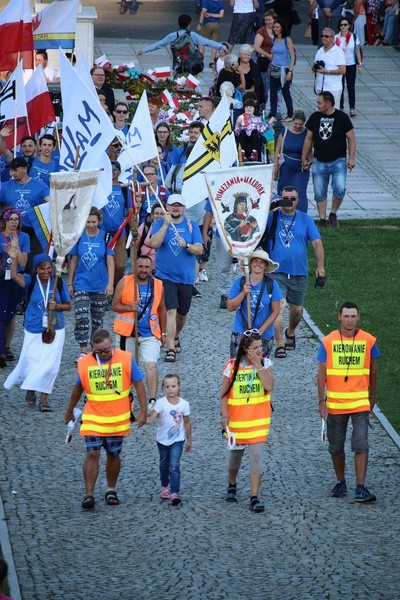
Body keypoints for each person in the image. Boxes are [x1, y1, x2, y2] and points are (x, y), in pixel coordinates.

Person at [64, 329, 147, 509]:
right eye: (98, 351)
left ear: (112, 345)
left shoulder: (125, 359)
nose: (103, 354)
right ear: (93, 349)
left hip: (117, 419)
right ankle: (89, 495)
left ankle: (111, 489)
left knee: (113, 454)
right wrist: (69, 410)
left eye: (106, 350)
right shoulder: (86, 363)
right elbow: (78, 388)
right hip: (93, 417)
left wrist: (143, 410)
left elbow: (139, 384)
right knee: (92, 453)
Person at [317, 301, 381, 502]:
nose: (350, 320)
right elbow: (321, 374)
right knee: (335, 447)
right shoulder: (328, 341)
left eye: (353, 316)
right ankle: (341, 481)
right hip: (335, 404)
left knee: (361, 443)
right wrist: (321, 401)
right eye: (346, 316)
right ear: (339, 317)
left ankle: (360, 487)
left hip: (360, 402)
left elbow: (373, 369)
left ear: (358, 317)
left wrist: (372, 396)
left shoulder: (368, 340)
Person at [261, 186, 325, 358]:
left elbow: (317, 243)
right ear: (279, 198)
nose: (289, 201)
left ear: (298, 200)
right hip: (276, 272)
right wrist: (269, 207)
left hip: (299, 273)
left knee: (297, 310)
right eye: (285, 198)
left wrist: (320, 267)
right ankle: (280, 343)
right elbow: (254, 226)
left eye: (293, 198)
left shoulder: (305, 219)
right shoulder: (271, 217)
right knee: (279, 307)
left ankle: (291, 331)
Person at [4, 252, 71, 412]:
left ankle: (44, 399)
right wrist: (13, 258)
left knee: (50, 365)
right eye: (42, 269)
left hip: (55, 329)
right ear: (36, 270)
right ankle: (31, 387)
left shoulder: (57, 282)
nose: (46, 272)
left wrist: (57, 306)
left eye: (49, 268)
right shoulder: (31, 280)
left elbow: (68, 305)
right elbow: (14, 276)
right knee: (32, 361)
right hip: (34, 327)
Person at [220, 330, 274, 512]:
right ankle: (232, 484)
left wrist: (259, 365)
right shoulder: (232, 366)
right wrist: (224, 415)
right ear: (245, 349)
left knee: (256, 456)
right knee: (236, 455)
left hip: (258, 421)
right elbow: (223, 395)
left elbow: (269, 386)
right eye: (256, 348)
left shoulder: (265, 364)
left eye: (261, 346)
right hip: (237, 422)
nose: (260, 350)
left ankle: (254, 496)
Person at [148, 194, 203, 363]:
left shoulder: (191, 225)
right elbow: (153, 244)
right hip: (165, 276)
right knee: (170, 310)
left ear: (184, 208)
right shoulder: (159, 223)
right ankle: (170, 348)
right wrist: (165, 225)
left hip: (186, 277)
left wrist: (186, 245)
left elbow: (199, 249)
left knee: (182, 313)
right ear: (167, 207)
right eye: (173, 205)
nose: (176, 208)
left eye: (179, 205)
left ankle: (176, 335)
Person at [113, 254, 167, 409]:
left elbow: (161, 309)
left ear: (151, 268)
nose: (143, 270)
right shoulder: (125, 282)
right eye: (140, 267)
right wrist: (130, 307)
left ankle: (152, 400)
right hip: (127, 334)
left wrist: (163, 334)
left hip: (150, 333)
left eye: (146, 267)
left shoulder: (158, 285)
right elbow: (115, 305)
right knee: (127, 367)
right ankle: (125, 397)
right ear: (135, 267)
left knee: (151, 365)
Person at [302, 91, 356, 228]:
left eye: (319, 103)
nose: (317, 105)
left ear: (328, 103)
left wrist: (351, 158)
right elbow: (308, 138)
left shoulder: (342, 117)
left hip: (338, 161)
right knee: (319, 192)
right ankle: (322, 219)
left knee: (340, 188)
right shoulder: (314, 117)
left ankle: (333, 213)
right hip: (319, 161)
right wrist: (304, 157)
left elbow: (351, 138)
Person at [68, 207, 115, 363]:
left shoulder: (106, 237)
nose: (91, 225)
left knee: (97, 319)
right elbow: (74, 260)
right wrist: (70, 282)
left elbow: (110, 262)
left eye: (94, 222)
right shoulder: (79, 236)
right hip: (81, 282)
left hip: (100, 284)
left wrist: (110, 283)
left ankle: (95, 348)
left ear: (99, 221)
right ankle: (83, 350)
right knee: (81, 316)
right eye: (88, 221)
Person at [146, 374, 192, 505]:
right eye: (167, 386)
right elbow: (151, 418)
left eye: (173, 386)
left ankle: (175, 492)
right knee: (164, 464)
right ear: (163, 388)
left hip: (178, 439)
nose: (170, 389)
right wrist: (141, 419)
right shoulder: (160, 403)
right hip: (162, 440)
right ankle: (165, 486)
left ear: (179, 386)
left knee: (174, 465)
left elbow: (187, 422)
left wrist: (189, 440)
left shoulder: (184, 404)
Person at [227, 249, 282, 358]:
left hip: (264, 334)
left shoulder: (272, 284)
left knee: (260, 369)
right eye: (255, 261)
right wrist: (243, 293)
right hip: (241, 331)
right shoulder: (240, 282)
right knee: (238, 367)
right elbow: (230, 307)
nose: (258, 264)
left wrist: (259, 333)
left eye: (261, 262)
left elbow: (276, 311)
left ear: (266, 266)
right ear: (251, 264)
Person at [0, 157, 49, 272]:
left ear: (24, 169)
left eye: (15, 170)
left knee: (33, 265)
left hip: (34, 232)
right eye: (11, 170)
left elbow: (51, 202)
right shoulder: (6, 186)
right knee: (12, 263)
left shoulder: (40, 186)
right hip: (12, 231)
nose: (12, 173)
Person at [0, 208, 29, 367]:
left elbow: (23, 263)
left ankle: (6, 346)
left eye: (16, 219)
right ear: (4, 220)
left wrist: (16, 249)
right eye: (10, 219)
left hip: (15, 278)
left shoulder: (24, 237)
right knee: (1, 312)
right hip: (1, 277)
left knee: (11, 313)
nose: (13, 222)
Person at [137, 14, 225, 64]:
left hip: (177, 64)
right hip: (191, 64)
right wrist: (222, 46)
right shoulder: (192, 35)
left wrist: (144, 50)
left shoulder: (172, 35)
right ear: (189, 24)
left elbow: (159, 44)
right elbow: (207, 42)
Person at [100, 160, 131, 287]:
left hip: (120, 233)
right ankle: (103, 289)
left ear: (119, 172)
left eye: (115, 169)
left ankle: (115, 288)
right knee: (102, 262)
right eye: (110, 169)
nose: (112, 172)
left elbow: (131, 211)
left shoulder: (124, 189)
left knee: (120, 265)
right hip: (103, 232)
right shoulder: (101, 187)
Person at [274, 109, 311, 212]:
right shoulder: (285, 131)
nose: (298, 126)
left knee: (300, 192)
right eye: (296, 124)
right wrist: (275, 166)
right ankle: (285, 213)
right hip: (286, 168)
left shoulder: (306, 133)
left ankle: (301, 215)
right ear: (292, 121)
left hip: (300, 169)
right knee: (284, 192)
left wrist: (309, 162)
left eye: (301, 124)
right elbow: (277, 150)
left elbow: (310, 151)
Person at [312, 27, 346, 109]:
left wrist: (326, 71)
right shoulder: (320, 51)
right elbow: (314, 69)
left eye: (326, 36)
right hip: (320, 87)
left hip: (333, 88)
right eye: (322, 36)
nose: (323, 38)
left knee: (333, 113)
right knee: (319, 112)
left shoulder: (338, 51)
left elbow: (343, 70)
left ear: (333, 38)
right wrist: (314, 67)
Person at [334, 19, 363, 116]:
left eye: (345, 24)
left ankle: (352, 108)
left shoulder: (354, 37)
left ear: (349, 26)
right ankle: (340, 107)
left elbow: (357, 51)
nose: (343, 26)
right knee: (340, 86)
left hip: (351, 64)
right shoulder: (336, 37)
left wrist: (360, 64)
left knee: (351, 87)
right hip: (340, 65)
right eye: (341, 25)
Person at [269, 19, 295, 121]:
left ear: (282, 28)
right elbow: (273, 53)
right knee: (273, 92)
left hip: (284, 69)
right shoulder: (274, 39)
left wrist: (290, 71)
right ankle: (273, 114)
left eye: (277, 27)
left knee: (285, 92)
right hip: (274, 68)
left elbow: (292, 56)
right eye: (274, 27)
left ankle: (290, 114)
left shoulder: (287, 40)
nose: (275, 29)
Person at [196, 0, 225, 68]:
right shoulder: (220, 3)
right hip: (217, 25)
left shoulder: (206, 2)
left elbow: (203, 13)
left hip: (208, 24)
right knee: (214, 43)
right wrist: (212, 15)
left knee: (201, 42)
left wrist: (200, 24)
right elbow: (221, 15)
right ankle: (212, 61)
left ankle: (201, 59)